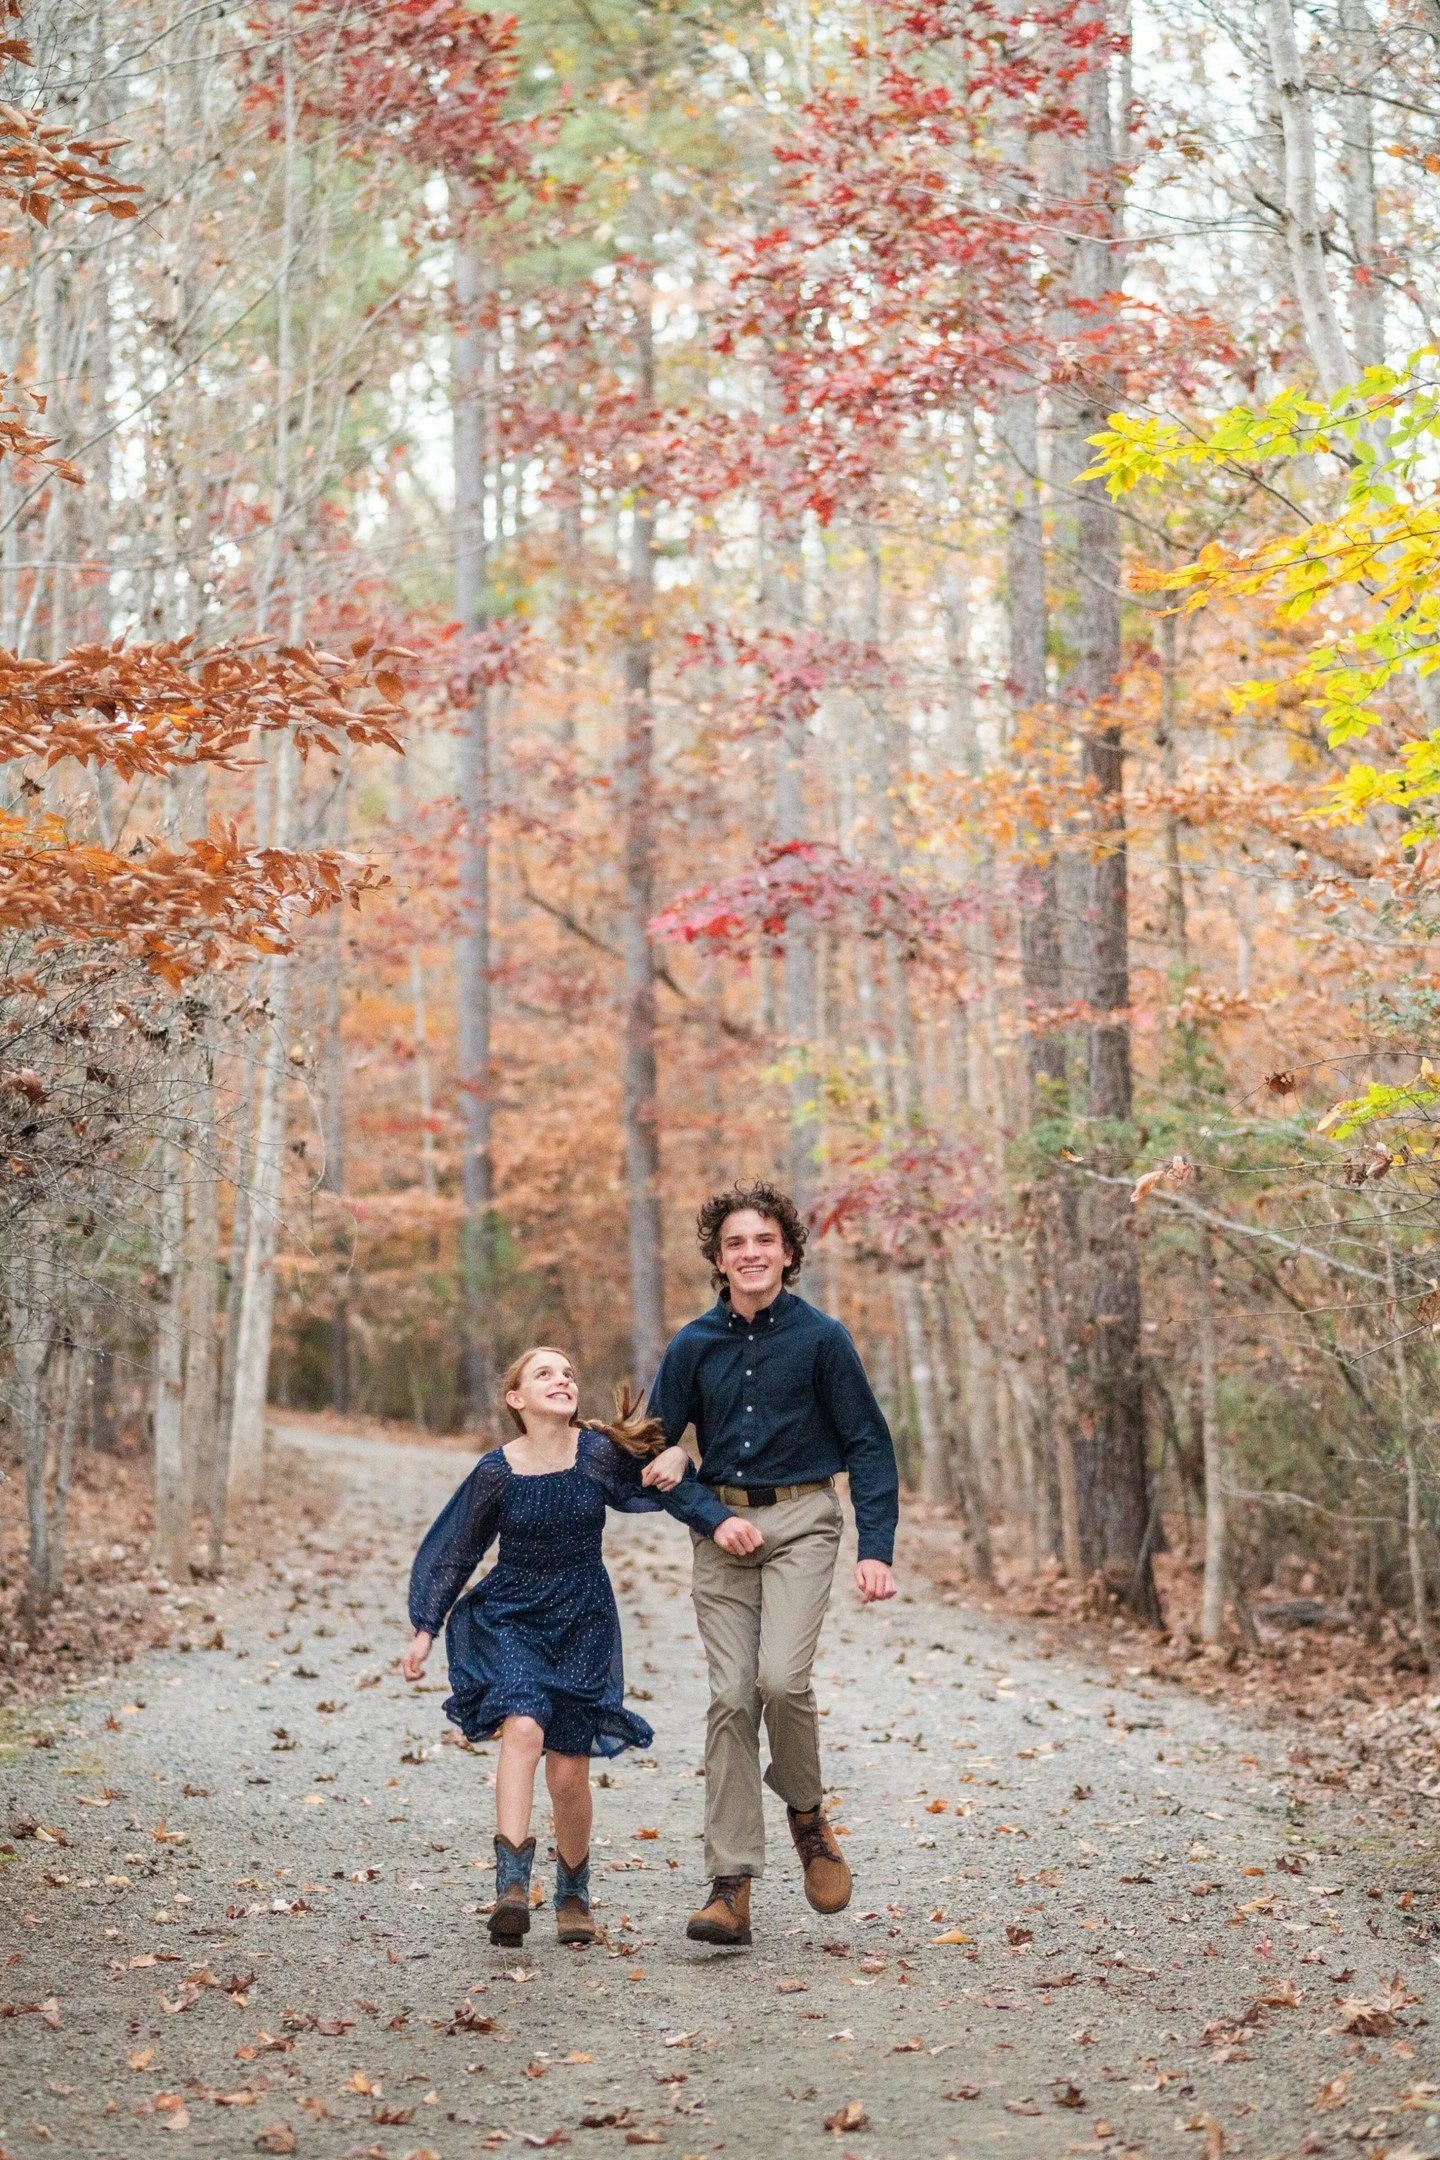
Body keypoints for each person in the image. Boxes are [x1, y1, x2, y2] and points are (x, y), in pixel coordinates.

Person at [401, 1345, 732, 1949]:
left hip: (583, 1619)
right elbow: (455, 1548)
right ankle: (510, 1889)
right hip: (512, 1614)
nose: (562, 1380)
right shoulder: (496, 1471)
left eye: (568, 1373)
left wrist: (685, 1462)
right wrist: (426, 1626)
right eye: (544, 1373)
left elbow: (660, 1484)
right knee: (524, 1725)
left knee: (570, 1771)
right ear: (516, 1399)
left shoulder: (598, 1454)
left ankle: (573, 1892)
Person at [640, 1181, 899, 1948]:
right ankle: (730, 1887)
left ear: (787, 1253)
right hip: (722, 1529)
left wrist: (876, 1549)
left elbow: (868, 1444)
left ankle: (807, 1816)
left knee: (780, 1680)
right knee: (729, 1698)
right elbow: (651, 1452)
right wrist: (708, 1513)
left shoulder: (823, 1340)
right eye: (735, 1244)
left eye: (763, 1241)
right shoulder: (692, 1345)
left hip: (803, 1521)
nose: (750, 1254)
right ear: (718, 1260)